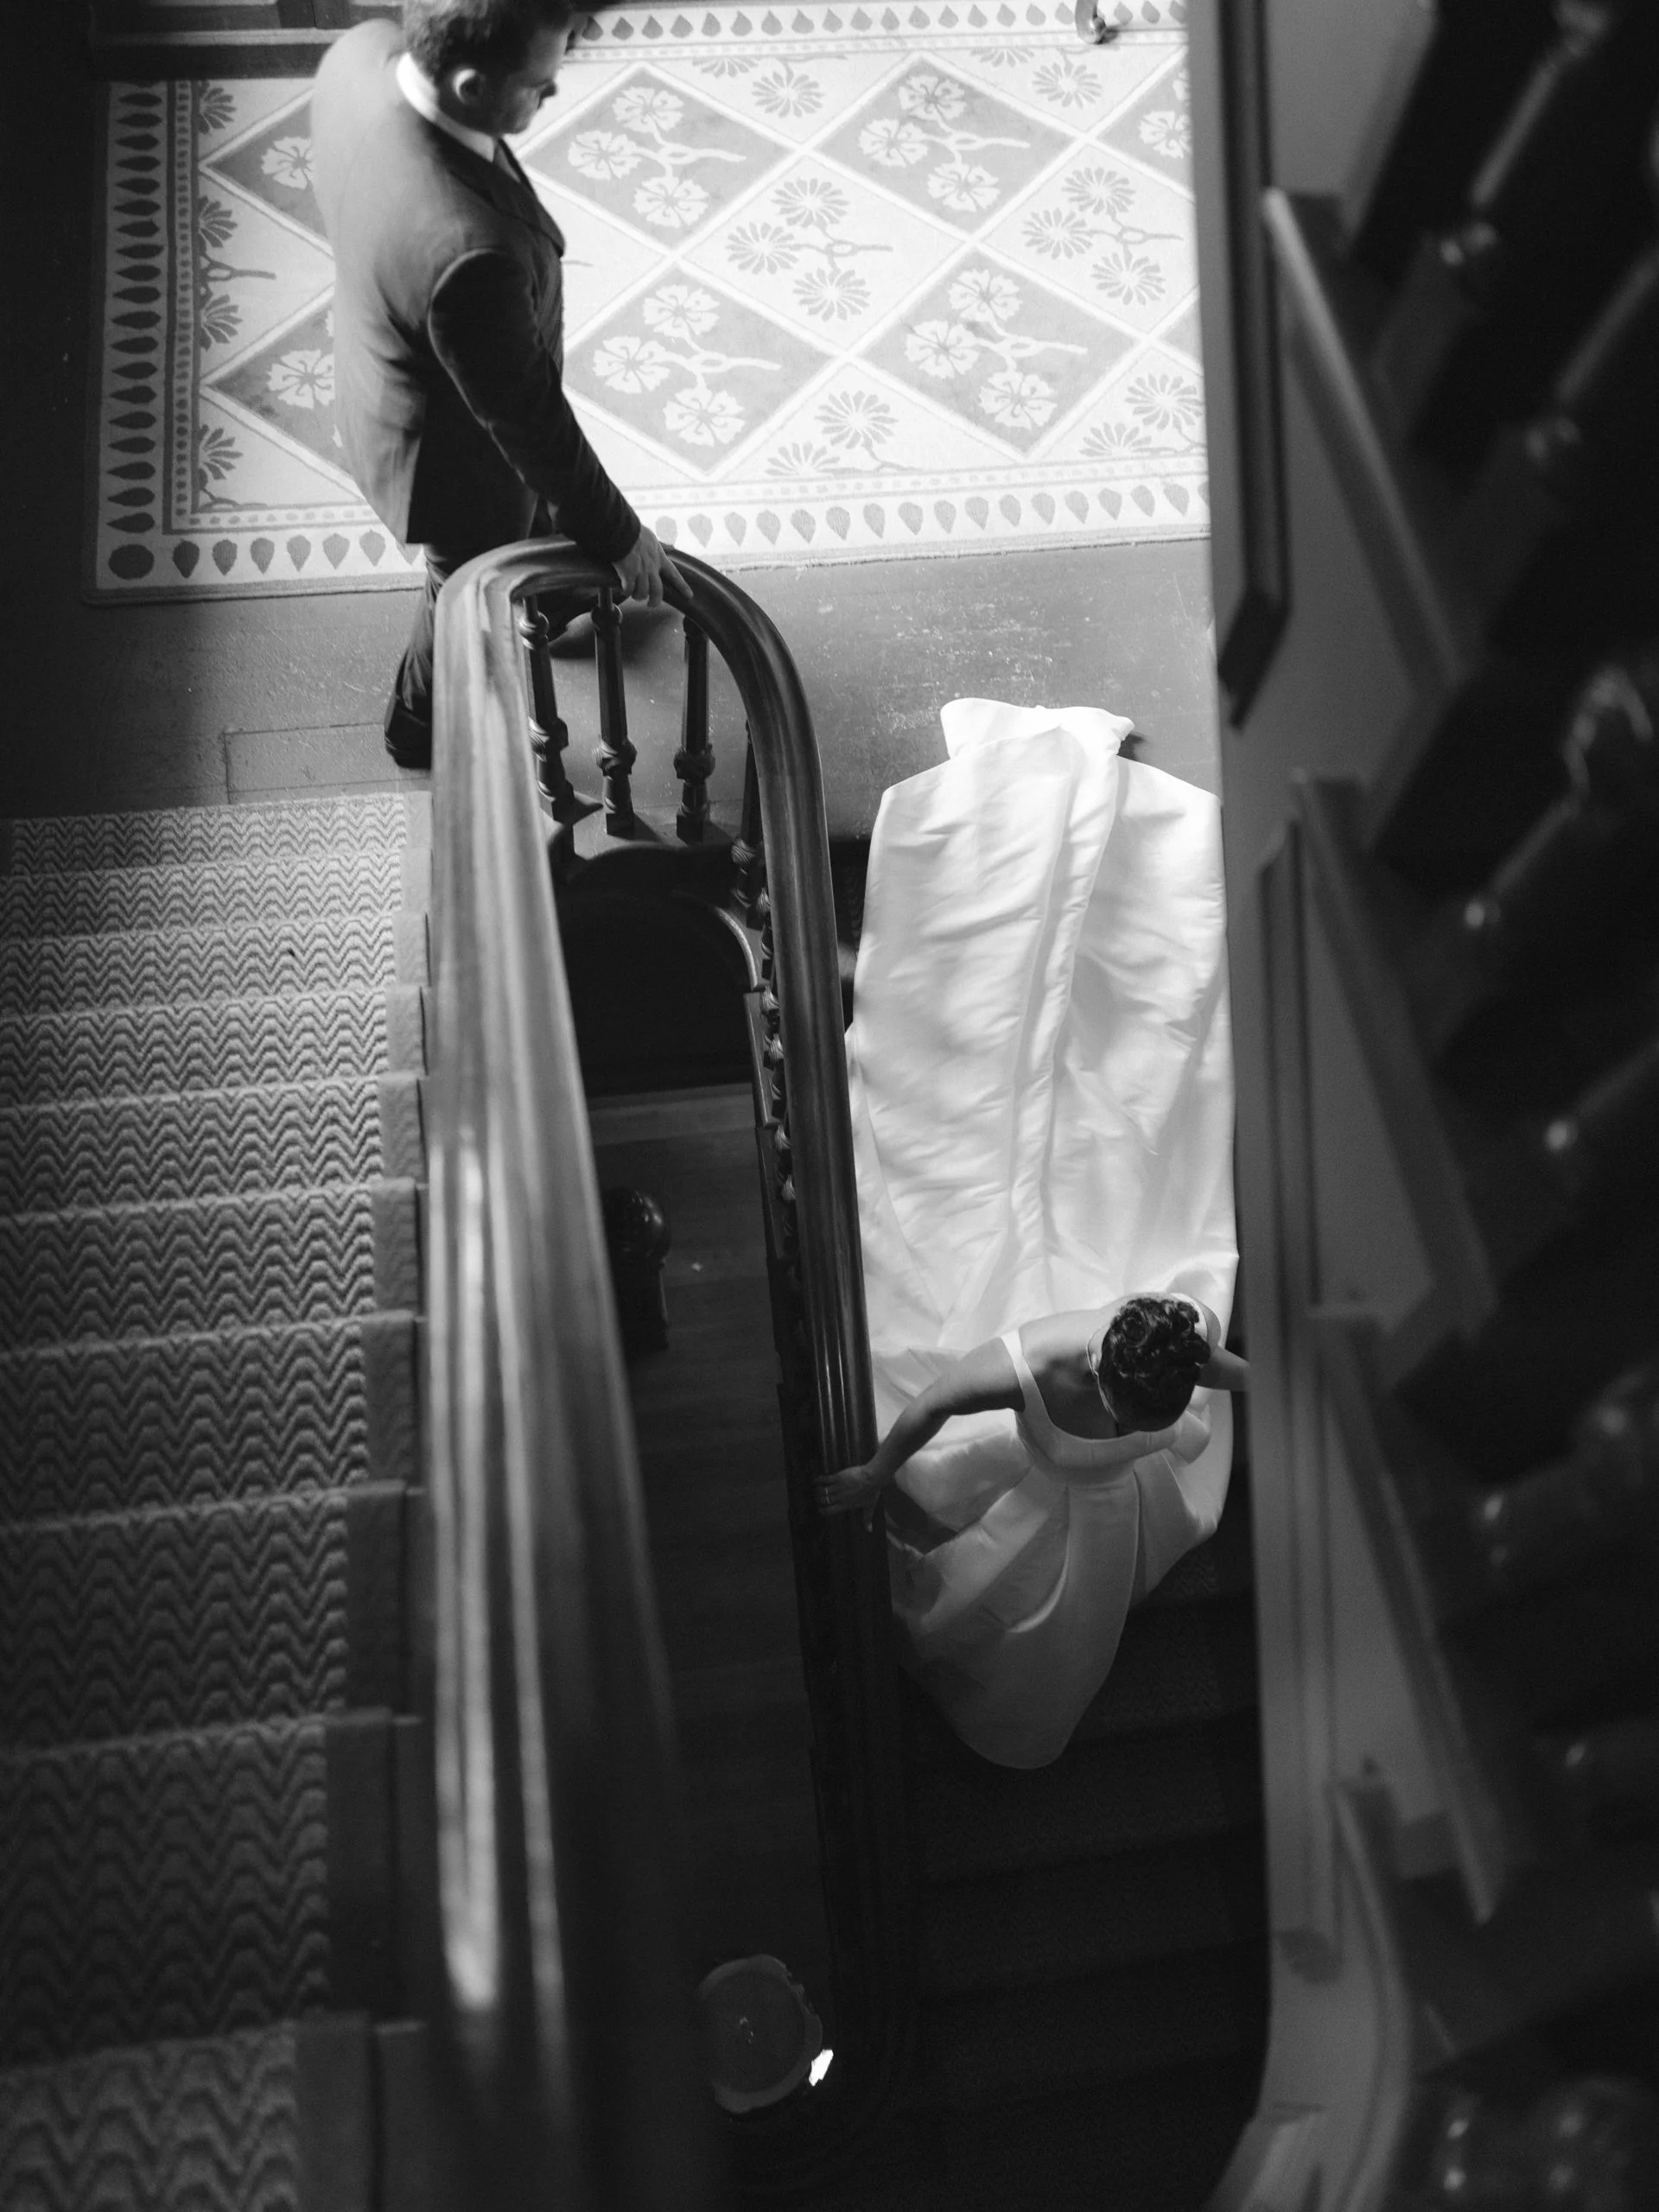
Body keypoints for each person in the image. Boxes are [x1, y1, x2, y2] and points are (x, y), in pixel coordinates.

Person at [815, 698, 1241, 1770]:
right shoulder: (1039, 1356)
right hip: (1070, 1494)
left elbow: (1227, 1367)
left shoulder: (1180, 1347)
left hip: (1082, 1509)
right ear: (1102, 1357)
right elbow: (930, 1408)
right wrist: (873, 1476)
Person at [312, 0, 683, 768]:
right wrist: (621, 536)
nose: (553, 94)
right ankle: (418, 726)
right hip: (449, 458)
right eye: (541, 85)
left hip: (380, 349)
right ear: (473, 85)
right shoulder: (466, 255)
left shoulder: (361, 53)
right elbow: (532, 424)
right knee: (462, 592)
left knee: (536, 527)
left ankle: (554, 591)